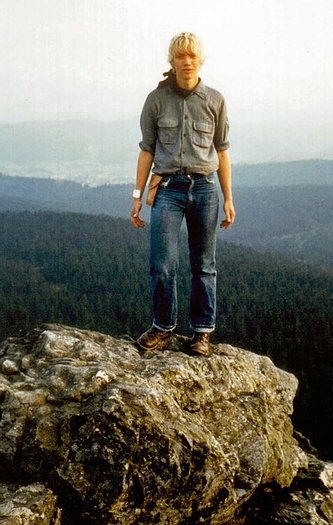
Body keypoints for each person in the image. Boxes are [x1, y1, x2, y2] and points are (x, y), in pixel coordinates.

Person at [130, 32, 235, 355]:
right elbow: (147, 150)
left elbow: (222, 151)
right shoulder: (156, 100)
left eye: (192, 56)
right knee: (161, 263)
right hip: (168, 191)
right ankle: (163, 326)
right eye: (180, 57)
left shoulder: (214, 100)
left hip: (205, 189)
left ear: (200, 61)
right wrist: (137, 196)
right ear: (172, 61)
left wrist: (229, 197)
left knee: (204, 264)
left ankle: (202, 332)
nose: (186, 62)